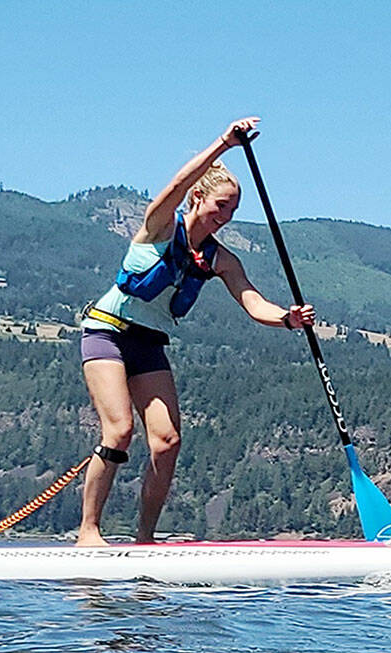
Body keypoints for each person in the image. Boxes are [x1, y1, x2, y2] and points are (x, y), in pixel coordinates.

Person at [76, 117, 316, 546]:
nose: (226, 217)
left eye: (233, 211)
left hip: (149, 343)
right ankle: (88, 531)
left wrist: (287, 318)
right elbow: (176, 183)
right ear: (198, 197)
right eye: (221, 205)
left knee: (167, 442)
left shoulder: (220, 259)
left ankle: (145, 539)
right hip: (107, 333)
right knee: (119, 431)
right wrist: (224, 143)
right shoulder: (159, 226)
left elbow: (252, 301)